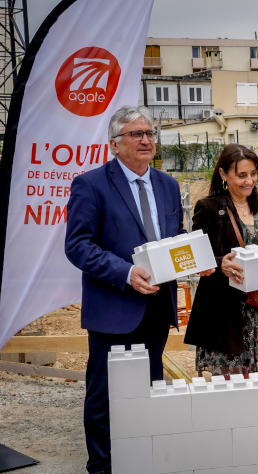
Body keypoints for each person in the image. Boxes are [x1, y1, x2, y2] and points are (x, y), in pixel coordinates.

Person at [65, 105, 203, 474]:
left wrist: (192, 261)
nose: (146, 140)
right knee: (105, 396)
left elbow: (173, 240)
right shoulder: (90, 185)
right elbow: (78, 246)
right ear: (115, 144)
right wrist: (126, 273)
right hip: (114, 308)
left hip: (157, 307)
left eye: (149, 133)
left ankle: (142, 459)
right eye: (136, 134)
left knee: (149, 390)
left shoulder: (167, 185)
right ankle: (103, 466)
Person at [184, 144, 258, 376]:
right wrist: (220, 263)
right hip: (225, 309)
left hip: (257, 304)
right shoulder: (208, 208)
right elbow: (195, 256)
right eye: (241, 175)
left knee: (251, 377)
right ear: (223, 174)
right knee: (229, 378)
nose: (249, 181)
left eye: (253, 174)